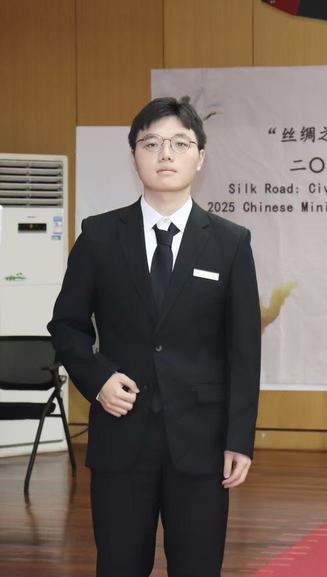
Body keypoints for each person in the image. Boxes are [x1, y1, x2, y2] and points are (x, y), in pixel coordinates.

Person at [47, 96, 261, 577]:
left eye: (180, 144)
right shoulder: (99, 236)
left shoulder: (230, 243)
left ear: (200, 157)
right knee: (120, 565)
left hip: (202, 443)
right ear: (134, 156)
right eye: (151, 143)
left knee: (197, 566)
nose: (165, 154)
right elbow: (66, 326)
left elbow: (244, 351)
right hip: (121, 437)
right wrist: (98, 379)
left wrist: (239, 439)